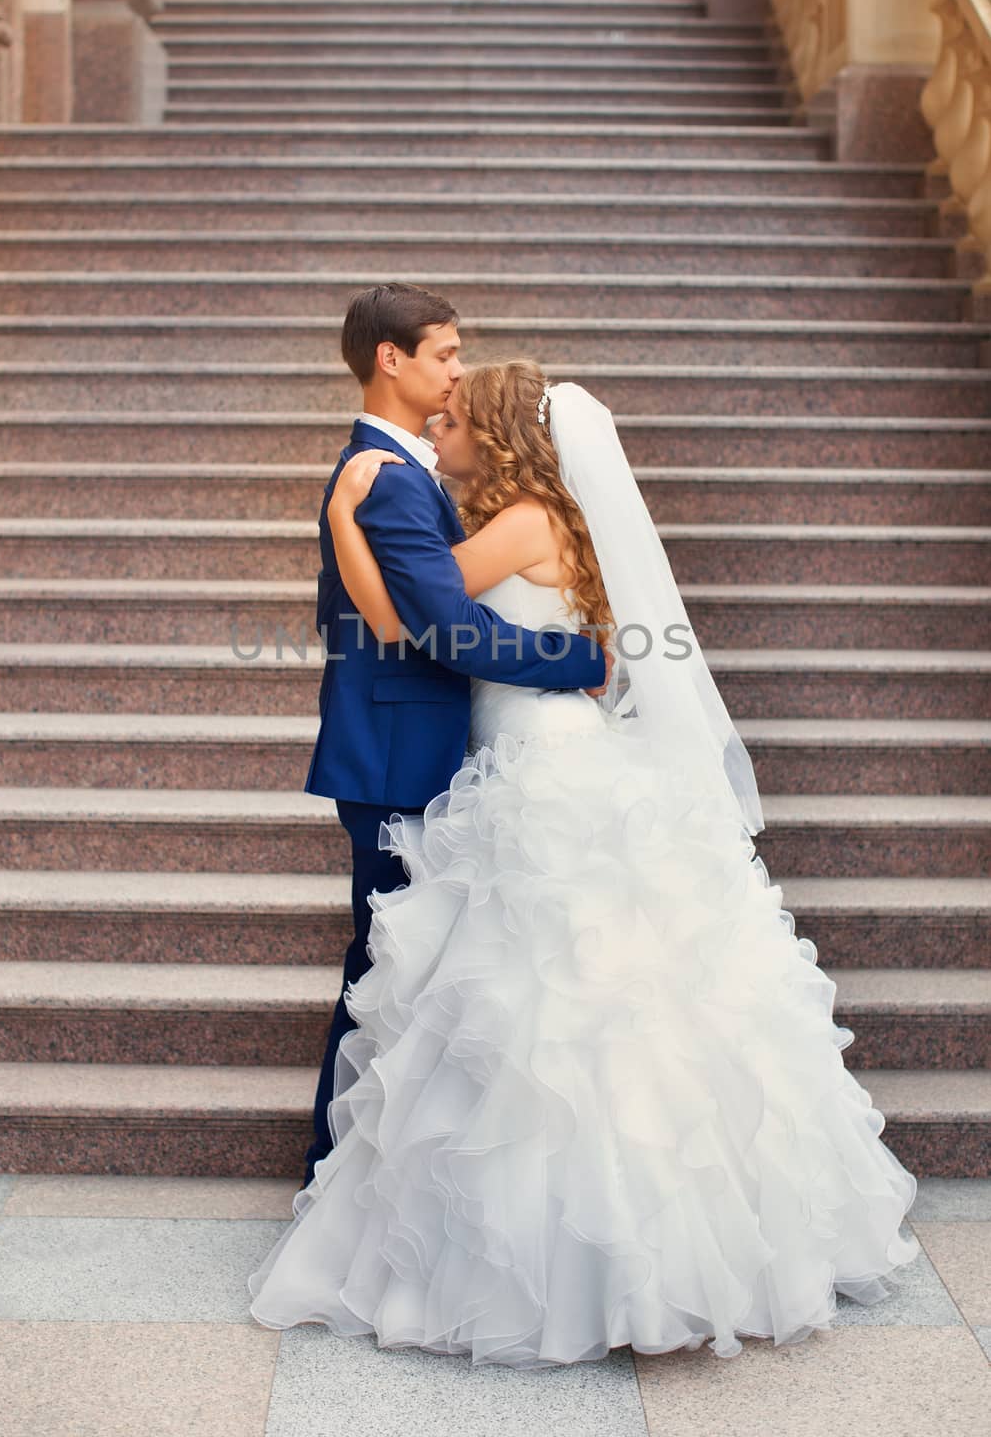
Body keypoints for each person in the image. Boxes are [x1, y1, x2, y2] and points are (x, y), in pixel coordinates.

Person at [248, 358, 920, 1367]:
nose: (443, 431)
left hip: (533, 762)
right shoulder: (560, 521)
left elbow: (406, 617)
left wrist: (343, 516)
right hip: (552, 747)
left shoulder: (519, 521)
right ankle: (647, 1255)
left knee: (546, 1011)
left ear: (504, 433)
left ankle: (569, 1263)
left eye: (459, 420)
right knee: (587, 1004)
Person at [298, 287, 610, 1190]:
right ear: (390, 360)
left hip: (432, 746)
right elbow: (438, 631)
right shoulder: (386, 477)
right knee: (386, 966)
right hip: (400, 753)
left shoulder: (409, 475)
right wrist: (574, 661)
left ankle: (370, 1172)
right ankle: (336, 1174)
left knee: (409, 968)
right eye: (443, 353)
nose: (456, 371)